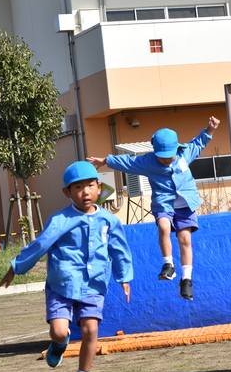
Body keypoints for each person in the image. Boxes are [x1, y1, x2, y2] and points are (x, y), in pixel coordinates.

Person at [0, 161, 133, 372]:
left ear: (99, 187)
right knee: (60, 331)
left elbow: (119, 249)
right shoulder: (60, 220)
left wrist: (124, 277)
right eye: (78, 187)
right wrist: (16, 267)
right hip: (62, 285)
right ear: (67, 192)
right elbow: (39, 245)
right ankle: (59, 344)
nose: (85, 192)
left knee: (91, 330)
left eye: (90, 185)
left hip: (94, 283)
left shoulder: (110, 220)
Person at [87, 116, 220, 301]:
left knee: (185, 239)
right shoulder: (148, 162)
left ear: (176, 149)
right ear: (154, 151)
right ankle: (168, 265)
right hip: (164, 203)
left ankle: (187, 280)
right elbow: (127, 162)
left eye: (169, 156)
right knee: (164, 227)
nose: (165, 160)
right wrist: (104, 161)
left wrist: (210, 130)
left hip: (186, 204)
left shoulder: (185, 153)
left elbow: (198, 143)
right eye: (161, 157)